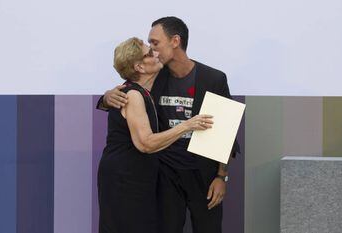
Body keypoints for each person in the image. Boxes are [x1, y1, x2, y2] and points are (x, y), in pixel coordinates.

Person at [99, 17, 240, 233]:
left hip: (203, 174)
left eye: (155, 43)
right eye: (150, 46)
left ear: (175, 41)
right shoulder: (153, 76)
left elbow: (225, 133)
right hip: (165, 175)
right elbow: (126, 91)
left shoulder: (214, 78)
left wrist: (221, 177)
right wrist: (107, 97)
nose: (153, 51)